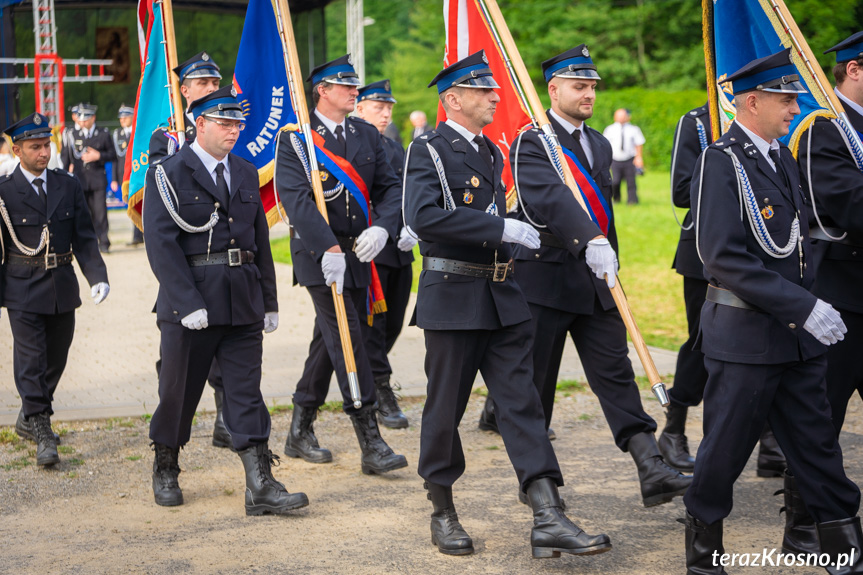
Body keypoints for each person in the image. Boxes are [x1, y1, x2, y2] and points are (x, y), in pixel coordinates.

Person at [404, 50, 612, 558]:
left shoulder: (492, 153)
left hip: (501, 293)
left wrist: (515, 235)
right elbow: (423, 216)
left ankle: (547, 513)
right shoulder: (428, 149)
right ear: (453, 99)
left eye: (494, 89)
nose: (496, 96)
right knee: (445, 408)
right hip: (453, 296)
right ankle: (442, 508)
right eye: (484, 90)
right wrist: (497, 226)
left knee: (522, 405)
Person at [683, 49, 862, 574]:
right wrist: (803, 305)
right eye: (784, 99)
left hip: (796, 337)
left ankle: (844, 550)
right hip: (745, 338)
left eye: (794, 98)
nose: (793, 108)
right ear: (751, 101)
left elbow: (799, 241)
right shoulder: (722, 160)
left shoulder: (780, 156)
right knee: (725, 451)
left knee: (817, 447)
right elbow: (721, 255)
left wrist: (813, 303)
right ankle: (704, 553)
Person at [507, 45, 690, 509]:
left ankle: (650, 465)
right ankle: (539, 489)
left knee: (616, 375)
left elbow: (603, 214)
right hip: (545, 283)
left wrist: (610, 262)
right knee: (537, 389)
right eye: (578, 85)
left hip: (596, 282)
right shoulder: (533, 140)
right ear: (553, 89)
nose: (588, 94)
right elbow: (549, 198)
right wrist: (589, 239)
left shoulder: (600, 143)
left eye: (592, 86)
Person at [143, 86, 307, 515]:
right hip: (192, 304)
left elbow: (260, 242)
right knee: (178, 392)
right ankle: (166, 465)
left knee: (245, 391)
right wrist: (185, 300)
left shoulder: (246, 170)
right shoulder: (167, 172)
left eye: (237, 123)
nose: (234, 130)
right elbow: (161, 244)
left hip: (242, 300)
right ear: (200, 123)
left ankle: (260, 484)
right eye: (224, 122)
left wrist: (269, 300)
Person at [275, 55, 408, 475]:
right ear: (323, 91)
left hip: (361, 251)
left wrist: (384, 228)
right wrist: (328, 249)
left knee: (328, 343)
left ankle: (300, 426)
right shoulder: (296, 138)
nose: (355, 90)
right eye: (345, 85)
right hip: (320, 256)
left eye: (355, 85)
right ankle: (370, 438)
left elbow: (390, 188)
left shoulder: (365, 134)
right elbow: (295, 199)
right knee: (348, 338)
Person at [662, 103, 786, 478]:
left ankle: (769, 441)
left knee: (768, 340)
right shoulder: (698, 121)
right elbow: (681, 190)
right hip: (708, 251)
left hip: (765, 249)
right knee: (701, 341)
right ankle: (674, 428)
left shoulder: (769, 119)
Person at [1, 113, 109, 466]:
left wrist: (97, 276)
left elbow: (84, 236)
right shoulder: (4, 192)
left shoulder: (67, 185)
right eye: (35, 147)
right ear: (17, 150)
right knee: (30, 358)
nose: (44, 153)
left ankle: (29, 415)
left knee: (56, 356)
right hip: (21, 286)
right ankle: (42, 427)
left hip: (61, 283)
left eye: (46, 145)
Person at [148, 51, 229, 449]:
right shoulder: (165, 137)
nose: (212, 89)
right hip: (183, 262)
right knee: (179, 367)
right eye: (203, 84)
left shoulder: (223, 129)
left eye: (215, 83)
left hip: (223, 264)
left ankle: (226, 420)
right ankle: (166, 452)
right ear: (183, 90)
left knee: (227, 353)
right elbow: (160, 204)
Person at [799, 31, 863, 438]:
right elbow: (851, 207)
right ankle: (806, 502)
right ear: (854, 68)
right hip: (842, 294)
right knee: (823, 416)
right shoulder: (826, 127)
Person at [352, 79, 415, 428]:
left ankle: (366, 375)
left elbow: (406, 192)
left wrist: (411, 225)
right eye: (379, 106)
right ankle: (379, 390)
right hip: (369, 252)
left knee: (392, 325)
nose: (386, 112)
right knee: (372, 328)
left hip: (399, 251)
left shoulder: (394, 147)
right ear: (359, 108)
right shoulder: (351, 145)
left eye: (389, 107)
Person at [61, 103, 116, 253]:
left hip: (97, 180)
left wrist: (98, 156)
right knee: (82, 214)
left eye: (86, 118)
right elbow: (65, 158)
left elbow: (113, 155)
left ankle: (104, 242)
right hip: (80, 181)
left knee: (100, 213)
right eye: (81, 118)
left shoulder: (103, 133)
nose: (83, 121)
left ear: (93, 118)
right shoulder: (72, 134)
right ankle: (86, 244)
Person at [111, 105, 141, 246]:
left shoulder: (138, 132)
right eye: (121, 118)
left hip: (137, 172)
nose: (122, 120)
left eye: (125, 117)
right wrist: (115, 179)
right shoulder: (117, 134)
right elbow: (116, 159)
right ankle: (136, 236)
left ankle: (139, 235)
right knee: (130, 204)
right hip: (125, 176)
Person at [602, 108, 644, 204]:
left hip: (629, 159)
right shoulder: (610, 129)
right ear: (615, 117)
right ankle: (616, 198)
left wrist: (639, 157)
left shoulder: (634, 129)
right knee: (615, 181)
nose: (621, 118)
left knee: (631, 182)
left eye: (623, 116)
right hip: (615, 159)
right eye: (619, 116)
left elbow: (639, 144)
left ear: (627, 117)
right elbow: (605, 144)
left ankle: (632, 201)